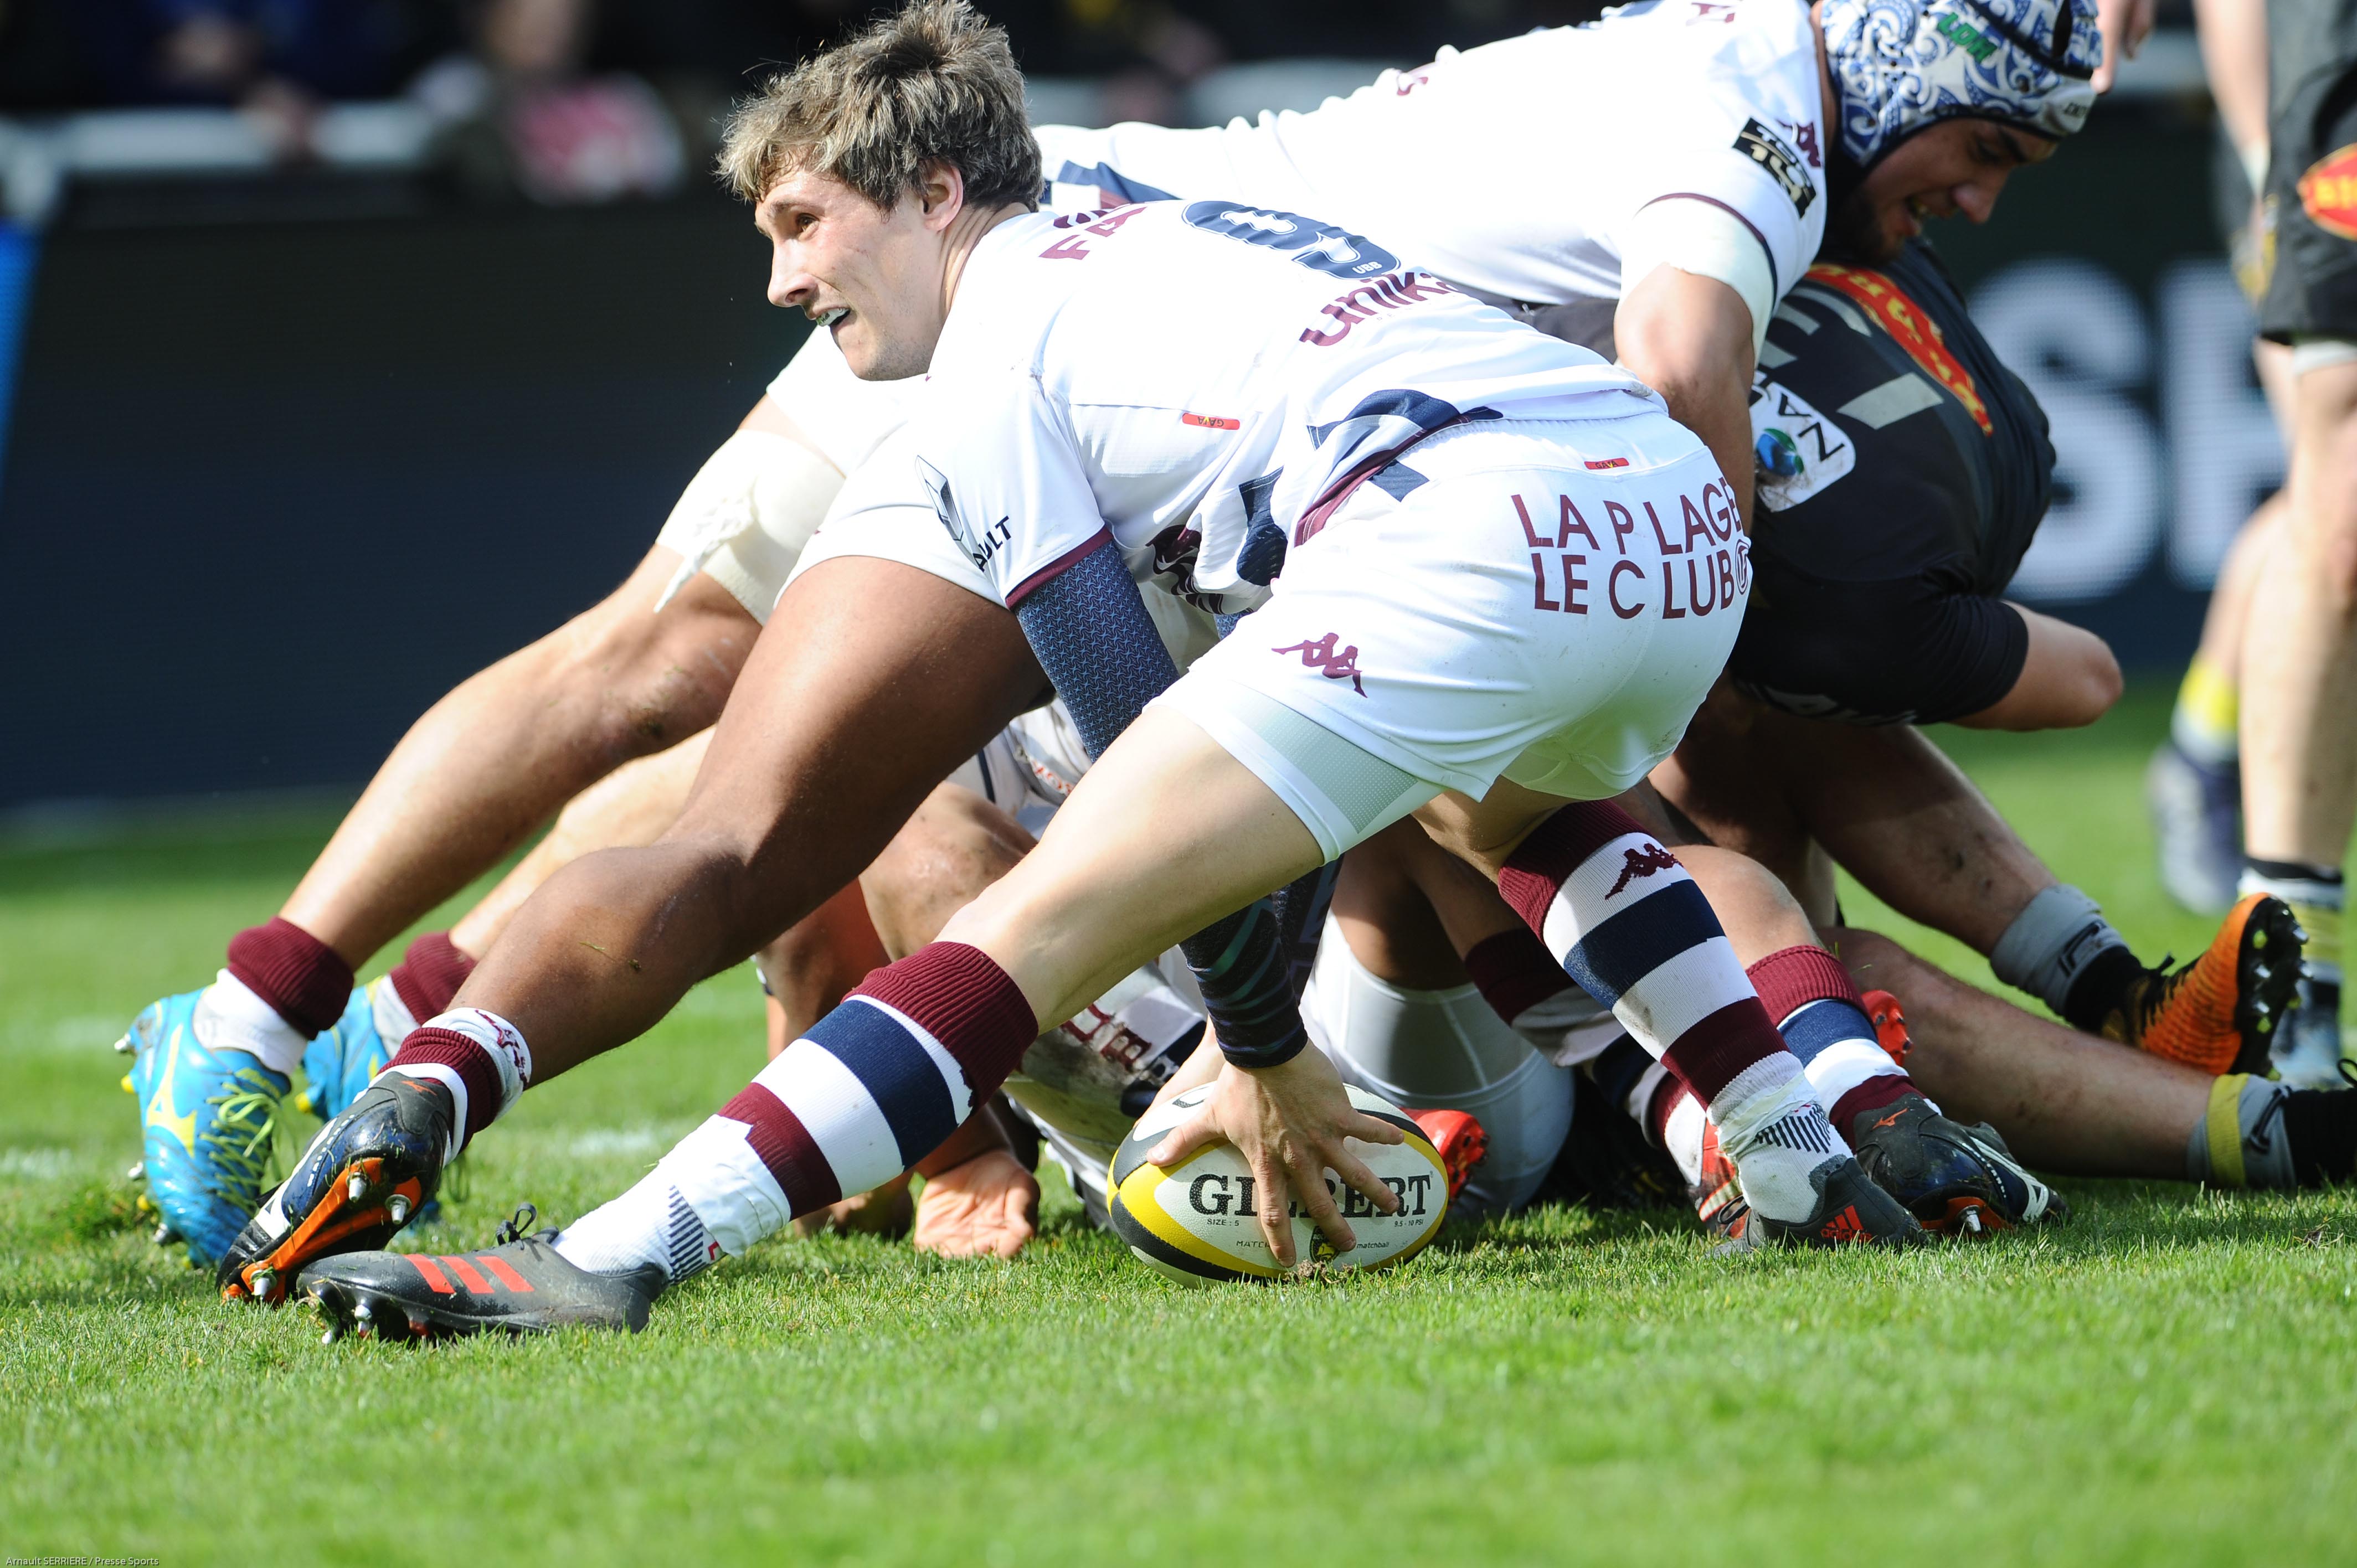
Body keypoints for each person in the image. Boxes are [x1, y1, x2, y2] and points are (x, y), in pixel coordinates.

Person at [122, 0, 2105, 1269]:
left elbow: (1130, 740)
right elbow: (1689, 400)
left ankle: (587, 1225)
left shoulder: (997, 340)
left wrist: (1253, 1049)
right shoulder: (1731, 112)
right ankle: (1796, 1122)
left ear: (925, 193)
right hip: (1526, 495)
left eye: (802, 229)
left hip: (1368, 484)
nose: (776, 280)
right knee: (1490, 812)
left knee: (828, 829)